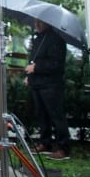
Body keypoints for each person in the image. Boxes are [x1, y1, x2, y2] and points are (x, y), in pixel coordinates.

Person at [25, 19, 71, 160]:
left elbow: (56, 64)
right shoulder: (38, 38)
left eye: (40, 22)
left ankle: (63, 148)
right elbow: (34, 58)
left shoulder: (56, 39)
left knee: (56, 117)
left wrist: (36, 68)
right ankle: (45, 142)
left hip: (51, 85)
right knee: (41, 116)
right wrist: (29, 76)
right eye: (35, 22)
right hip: (37, 83)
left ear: (48, 22)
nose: (36, 24)